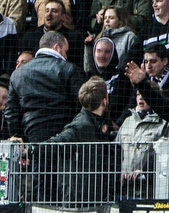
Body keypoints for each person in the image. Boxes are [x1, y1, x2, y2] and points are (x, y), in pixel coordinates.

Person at [46, 76, 119, 206]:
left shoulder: (101, 124)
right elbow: (53, 143)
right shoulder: (80, 126)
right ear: (104, 101)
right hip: (79, 199)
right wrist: (29, 150)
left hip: (96, 196)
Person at [5, 30, 84, 142]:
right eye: (66, 51)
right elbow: (80, 105)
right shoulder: (70, 69)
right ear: (57, 47)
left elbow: (11, 112)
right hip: (64, 138)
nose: (66, 56)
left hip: (31, 135)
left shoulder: (17, 74)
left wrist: (19, 138)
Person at [118, 91, 169, 199]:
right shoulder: (127, 121)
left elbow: (165, 155)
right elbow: (115, 150)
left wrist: (145, 171)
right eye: (138, 94)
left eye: (145, 94)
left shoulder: (163, 123)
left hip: (149, 189)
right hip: (123, 188)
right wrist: (119, 170)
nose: (141, 98)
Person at [86, 5, 140, 72]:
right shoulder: (100, 38)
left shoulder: (130, 37)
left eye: (111, 18)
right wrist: (88, 47)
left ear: (120, 20)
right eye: (105, 18)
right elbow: (89, 69)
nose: (107, 21)